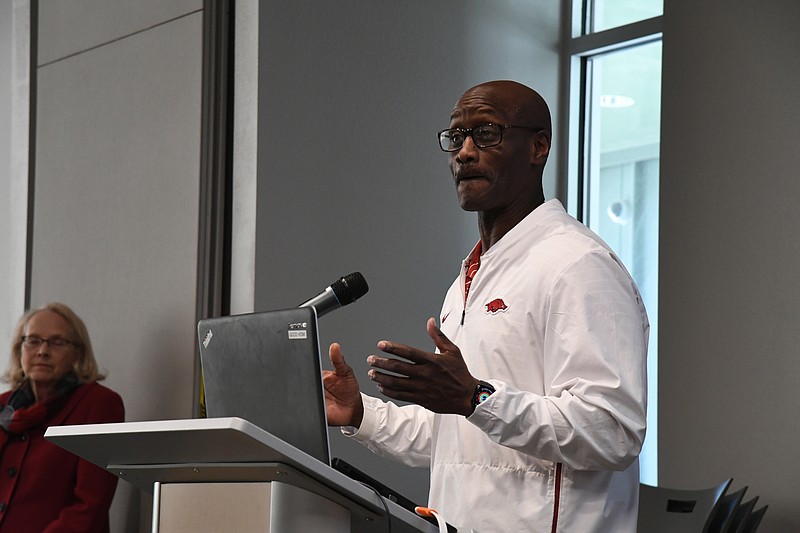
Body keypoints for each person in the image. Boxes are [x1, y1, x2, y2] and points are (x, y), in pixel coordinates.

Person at [323, 80, 649, 532]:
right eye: (456, 138)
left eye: (488, 133)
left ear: (538, 147)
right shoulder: (467, 280)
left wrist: (475, 397)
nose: (465, 152)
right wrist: (359, 413)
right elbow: (458, 440)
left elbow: (612, 431)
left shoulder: (579, 265)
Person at [0, 302, 125, 532]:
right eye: (33, 341)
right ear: (20, 349)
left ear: (77, 352)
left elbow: (89, 506)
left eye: (57, 342)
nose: (43, 351)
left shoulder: (99, 404)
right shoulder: (3, 406)